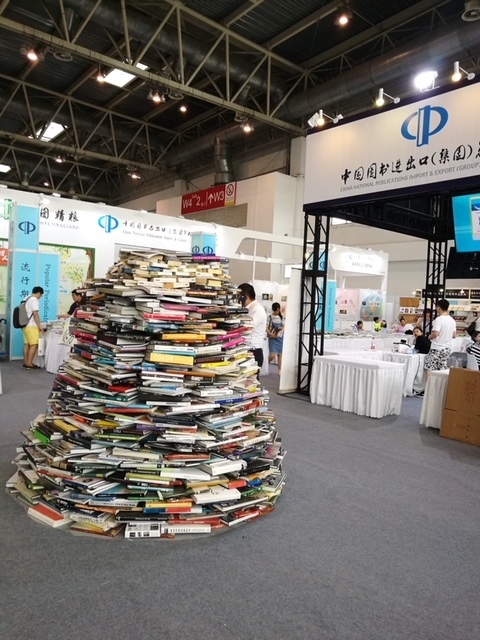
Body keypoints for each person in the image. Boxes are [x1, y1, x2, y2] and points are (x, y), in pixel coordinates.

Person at [237, 283, 267, 369]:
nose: (237, 299)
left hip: (254, 350)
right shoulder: (249, 309)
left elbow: (247, 328)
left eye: (238, 296)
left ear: (245, 296)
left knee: (250, 376)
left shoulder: (257, 310)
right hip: (247, 349)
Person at [424, 299, 456, 372]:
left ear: (439, 307)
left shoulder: (439, 319)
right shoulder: (452, 320)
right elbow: (454, 335)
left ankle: (430, 380)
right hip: (447, 349)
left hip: (436, 348)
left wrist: (429, 337)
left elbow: (435, 333)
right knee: (442, 370)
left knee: (429, 368)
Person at [22, 286, 45, 370]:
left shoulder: (26, 298)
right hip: (31, 325)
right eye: (41, 295)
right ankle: (29, 363)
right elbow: (35, 314)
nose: (40, 297)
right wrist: (39, 326)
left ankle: (25, 362)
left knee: (27, 344)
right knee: (34, 344)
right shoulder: (34, 300)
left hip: (24, 325)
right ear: (38, 293)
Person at [267, 302, 285, 375]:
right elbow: (266, 328)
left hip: (280, 337)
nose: (277, 312)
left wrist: (280, 330)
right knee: (272, 355)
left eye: (278, 310)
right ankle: (265, 364)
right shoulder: (269, 317)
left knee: (280, 355)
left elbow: (284, 326)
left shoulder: (281, 317)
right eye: (275, 310)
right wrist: (271, 334)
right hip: (272, 338)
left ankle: (280, 371)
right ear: (273, 309)